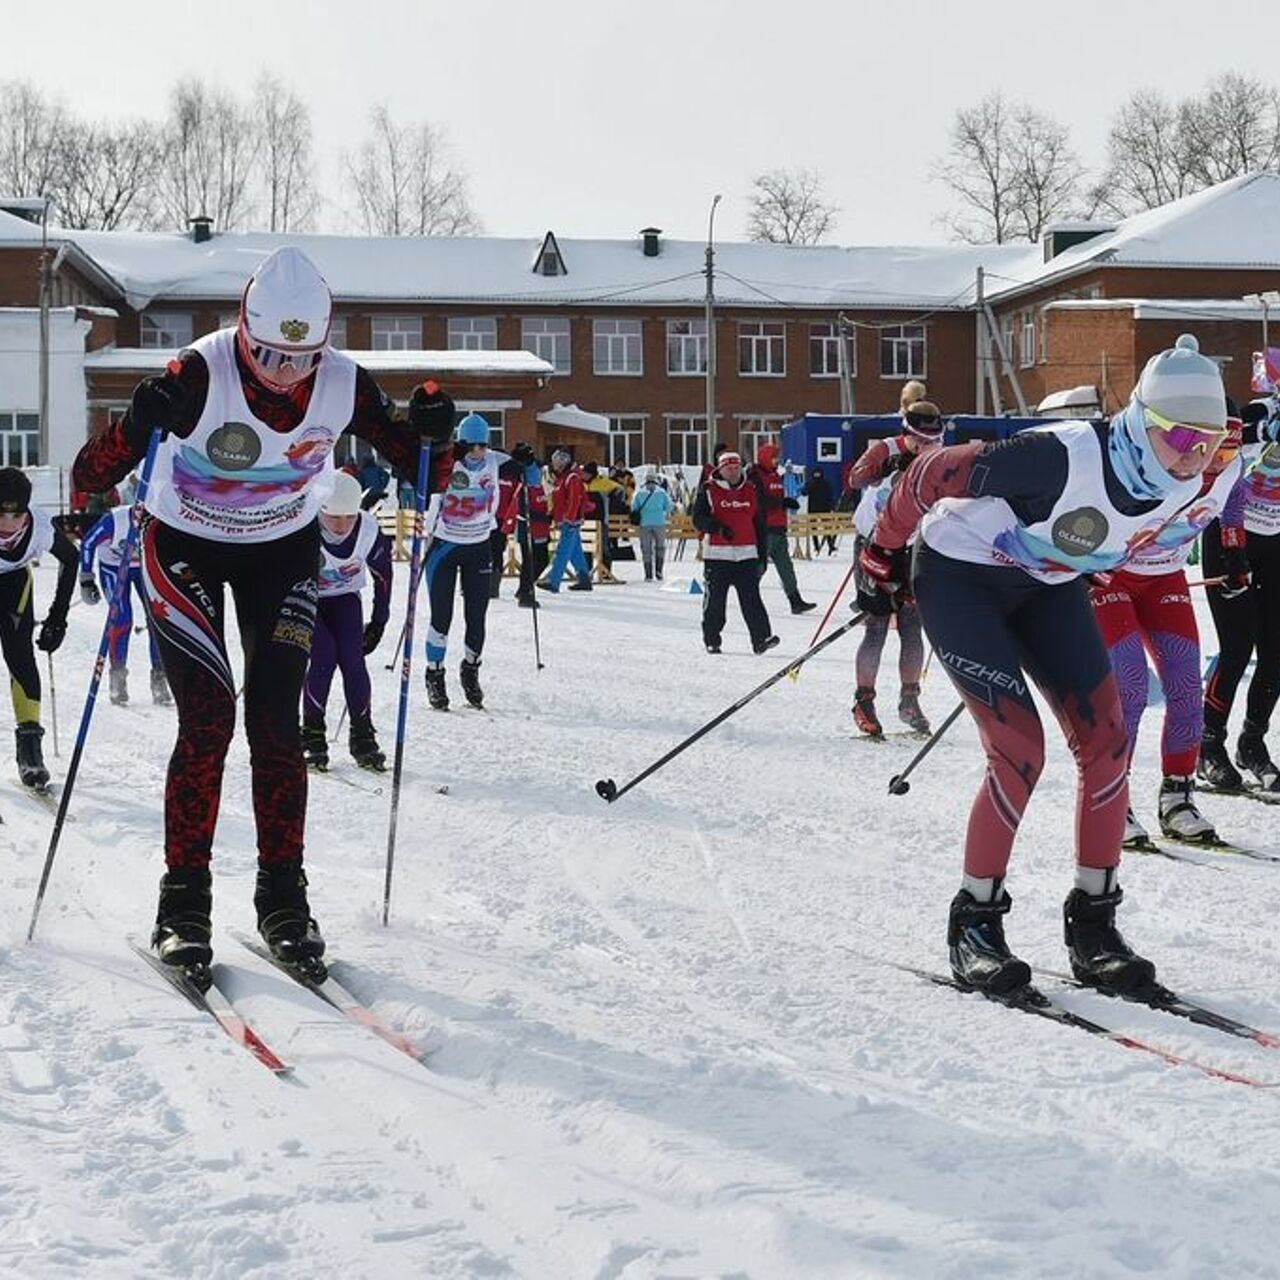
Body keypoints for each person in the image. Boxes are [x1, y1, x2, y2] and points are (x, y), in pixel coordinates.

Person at [71, 245, 455, 975]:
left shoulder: (344, 384)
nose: (283, 373)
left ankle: (283, 895)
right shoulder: (198, 371)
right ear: (244, 333)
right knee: (210, 715)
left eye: (300, 357)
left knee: (277, 723)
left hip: (281, 550)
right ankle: (184, 900)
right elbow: (92, 474)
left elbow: (419, 463)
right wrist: (136, 422)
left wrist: (434, 426)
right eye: (268, 355)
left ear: (324, 343)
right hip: (182, 544)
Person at [861, 334, 1228, 996]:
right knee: (1019, 748)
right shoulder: (1060, 456)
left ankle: (1094, 926)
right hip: (959, 577)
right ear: (1143, 421)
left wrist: (1084, 563)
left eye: (1209, 442)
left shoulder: (1187, 481)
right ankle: (975, 923)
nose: (1192, 459)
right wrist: (882, 551)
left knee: (1109, 742)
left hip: (1047, 586)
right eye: (1180, 440)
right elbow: (932, 474)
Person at [1090, 399, 1246, 845]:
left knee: (1184, 688)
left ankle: (1177, 795)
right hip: (1112, 576)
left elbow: (1232, 494)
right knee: (1130, 687)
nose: (1216, 460)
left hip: (1165, 580)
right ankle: (1111, 796)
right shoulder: (1163, 462)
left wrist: (1234, 548)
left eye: (1230, 449)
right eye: (1212, 445)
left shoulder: (1230, 468)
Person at [847, 402, 946, 737]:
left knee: (911, 627)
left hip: (914, 548)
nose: (926, 445)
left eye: (933, 438)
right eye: (919, 438)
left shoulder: (938, 456)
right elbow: (854, 478)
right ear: (906, 432)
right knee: (875, 627)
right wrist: (881, 468)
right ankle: (864, 701)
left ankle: (909, 700)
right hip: (875, 546)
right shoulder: (885, 449)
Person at [1199, 392, 1280, 791]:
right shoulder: (1258, 413)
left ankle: (1253, 743)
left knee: (1276, 652)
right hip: (1230, 540)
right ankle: (1208, 746)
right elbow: (1217, 444)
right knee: (1237, 646)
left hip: (1275, 544)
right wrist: (1260, 431)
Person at [302, 471, 392, 771]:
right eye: (333, 518)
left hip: (345, 600)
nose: (341, 526)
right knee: (324, 656)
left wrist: (379, 620)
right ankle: (312, 735)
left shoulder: (367, 529)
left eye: (348, 517)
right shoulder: (304, 524)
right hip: (308, 601)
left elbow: (383, 576)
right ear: (321, 510)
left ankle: (363, 735)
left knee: (353, 661)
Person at [422, 413, 511, 711]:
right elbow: (423, 473)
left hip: (478, 548)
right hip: (444, 547)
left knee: (477, 618)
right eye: (472, 445)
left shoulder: (494, 462)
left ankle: (470, 671)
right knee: (441, 617)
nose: (478, 452)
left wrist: (529, 465)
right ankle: (435, 674)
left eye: (483, 445)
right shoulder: (447, 462)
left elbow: (529, 473)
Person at [0, 469, 76, 790]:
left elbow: (71, 559)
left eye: (16, 514)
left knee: (21, 660)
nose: (8, 523)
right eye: (1, 514)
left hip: (14, 583)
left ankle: (30, 751)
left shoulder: (41, 528)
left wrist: (58, 618)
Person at [78, 502, 172, 706]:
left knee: (158, 617)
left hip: (144, 567)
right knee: (122, 618)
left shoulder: (162, 517)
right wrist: (86, 578)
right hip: (113, 567)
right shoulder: (114, 521)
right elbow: (87, 543)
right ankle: (118, 678)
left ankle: (160, 678)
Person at [692, 451, 779, 655]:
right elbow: (698, 518)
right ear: (720, 469)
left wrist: (762, 555)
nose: (733, 472)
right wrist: (717, 527)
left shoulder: (751, 490)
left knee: (752, 600)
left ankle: (761, 639)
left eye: (736, 468)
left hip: (747, 556)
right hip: (717, 557)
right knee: (715, 602)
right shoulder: (708, 490)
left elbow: (759, 525)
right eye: (728, 468)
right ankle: (712, 639)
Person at [747, 443, 815, 614]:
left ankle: (795, 601)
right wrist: (782, 503)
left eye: (777, 457)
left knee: (786, 568)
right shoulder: (754, 477)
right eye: (774, 457)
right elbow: (760, 501)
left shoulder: (776, 475)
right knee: (759, 567)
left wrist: (784, 505)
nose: (777, 460)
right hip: (764, 530)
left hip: (779, 529)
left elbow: (775, 499)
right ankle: (748, 597)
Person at [539, 449, 592, 593]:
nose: (554, 464)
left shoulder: (571, 478)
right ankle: (584, 578)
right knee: (575, 551)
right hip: (567, 519)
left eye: (556, 461)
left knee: (562, 551)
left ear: (563, 462)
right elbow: (559, 498)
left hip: (570, 521)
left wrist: (568, 518)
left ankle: (553, 581)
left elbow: (575, 500)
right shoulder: (563, 478)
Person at [509, 442, 548, 608]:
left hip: (539, 521)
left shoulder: (537, 468)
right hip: (527, 523)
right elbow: (517, 499)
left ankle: (524, 588)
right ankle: (525, 592)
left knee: (540, 559)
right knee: (532, 560)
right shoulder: (519, 473)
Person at [631, 472, 674, 581]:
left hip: (644, 524)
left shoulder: (640, 493)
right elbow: (669, 507)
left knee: (646, 549)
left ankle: (648, 574)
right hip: (659, 523)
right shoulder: (662, 493)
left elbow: (634, 508)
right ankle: (659, 571)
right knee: (660, 547)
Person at [801, 466, 836, 555]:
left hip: (819, 509)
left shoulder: (819, 483)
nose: (817, 476)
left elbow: (804, 492)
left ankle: (826, 545)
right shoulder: (818, 483)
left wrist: (831, 506)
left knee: (823, 528)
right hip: (818, 509)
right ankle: (820, 545)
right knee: (818, 528)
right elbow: (804, 492)